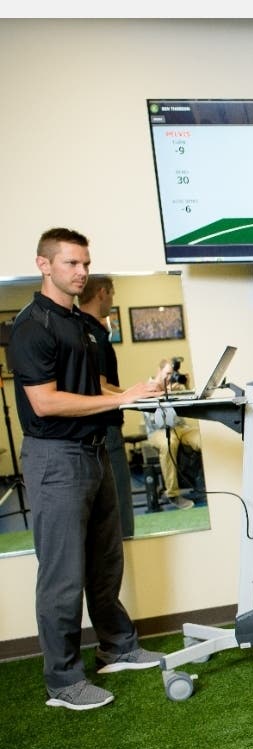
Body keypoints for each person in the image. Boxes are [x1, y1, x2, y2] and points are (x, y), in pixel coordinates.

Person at [7, 227, 167, 710]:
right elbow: (46, 401)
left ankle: (116, 647)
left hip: (96, 451)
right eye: (71, 263)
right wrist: (118, 399)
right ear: (44, 264)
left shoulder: (82, 324)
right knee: (62, 574)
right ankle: (63, 682)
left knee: (105, 561)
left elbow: (94, 384)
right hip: (56, 459)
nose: (81, 272)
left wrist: (137, 390)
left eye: (85, 263)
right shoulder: (32, 326)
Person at [76, 274, 136, 537]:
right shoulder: (93, 335)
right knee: (120, 507)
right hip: (106, 430)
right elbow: (99, 387)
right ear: (102, 292)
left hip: (93, 431)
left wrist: (135, 393)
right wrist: (134, 395)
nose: (112, 299)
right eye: (112, 293)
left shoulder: (81, 328)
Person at [143, 358, 201, 511]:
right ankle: (173, 494)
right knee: (170, 442)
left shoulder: (175, 385)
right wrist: (165, 394)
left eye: (173, 374)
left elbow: (192, 405)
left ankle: (207, 484)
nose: (170, 377)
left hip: (181, 428)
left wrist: (186, 386)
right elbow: (156, 420)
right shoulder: (147, 387)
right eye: (167, 373)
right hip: (158, 430)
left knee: (203, 439)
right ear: (159, 371)